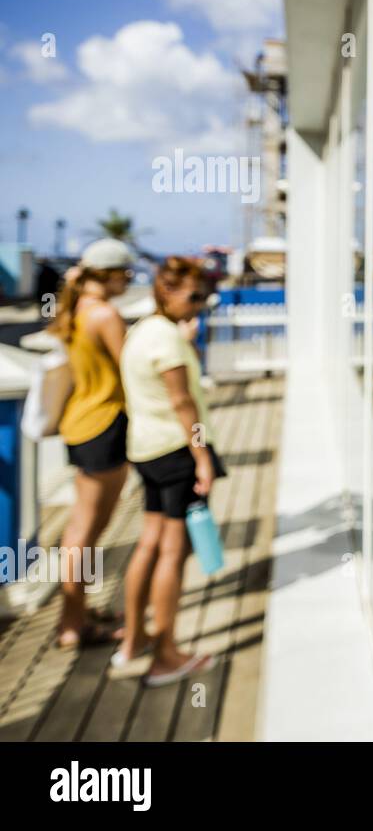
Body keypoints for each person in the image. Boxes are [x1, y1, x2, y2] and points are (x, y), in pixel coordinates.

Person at [115, 257, 224, 685]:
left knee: (150, 543)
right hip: (177, 452)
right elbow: (184, 403)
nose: (199, 305)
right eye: (193, 296)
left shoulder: (142, 331)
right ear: (166, 292)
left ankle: (132, 643)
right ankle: (165, 655)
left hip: (146, 450)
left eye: (204, 296)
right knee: (173, 553)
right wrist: (201, 458)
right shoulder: (168, 341)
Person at [47, 238, 135, 649]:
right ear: (108, 274)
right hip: (104, 424)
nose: (130, 280)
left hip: (79, 422)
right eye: (126, 273)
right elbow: (133, 370)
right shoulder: (106, 315)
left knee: (81, 528)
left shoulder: (77, 309)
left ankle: (76, 612)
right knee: (87, 530)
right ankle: (72, 624)